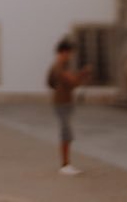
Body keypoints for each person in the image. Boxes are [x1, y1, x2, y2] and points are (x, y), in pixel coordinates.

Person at [47, 37, 92, 176]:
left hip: (61, 101)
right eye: (70, 53)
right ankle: (65, 165)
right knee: (66, 133)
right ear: (64, 52)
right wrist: (83, 73)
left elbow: (50, 82)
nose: (71, 56)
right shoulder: (60, 66)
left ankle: (66, 163)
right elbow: (72, 82)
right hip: (63, 103)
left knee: (66, 132)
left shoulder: (55, 66)